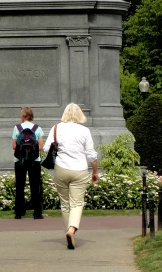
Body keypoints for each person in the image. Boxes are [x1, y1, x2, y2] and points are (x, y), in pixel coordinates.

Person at [43, 103, 99, 250]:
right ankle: (72, 230)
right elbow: (92, 155)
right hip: (79, 169)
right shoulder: (85, 131)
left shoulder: (56, 128)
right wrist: (95, 173)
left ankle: (67, 232)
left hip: (61, 169)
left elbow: (46, 148)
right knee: (77, 203)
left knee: (65, 203)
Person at [11, 106, 44, 219]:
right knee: (35, 186)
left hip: (19, 161)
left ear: (24, 115)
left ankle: (19, 213)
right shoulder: (37, 128)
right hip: (35, 161)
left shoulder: (17, 128)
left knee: (20, 186)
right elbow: (40, 146)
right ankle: (37, 213)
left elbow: (14, 146)